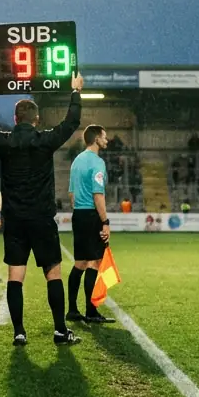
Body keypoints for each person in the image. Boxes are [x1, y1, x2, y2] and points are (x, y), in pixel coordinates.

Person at [0, 72, 84, 347]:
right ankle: (60, 331)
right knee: (53, 273)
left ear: (15, 120)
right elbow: (71, 122)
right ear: (36, 120)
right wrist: (75, 92)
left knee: (16, 276)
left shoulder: (5, 142)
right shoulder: (45, 140)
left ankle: (19, 332)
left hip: (15, 220)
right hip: (41, 219)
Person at [67, 124, 114, 325]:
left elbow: (71, 193)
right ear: (96, 139)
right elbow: (98, 195)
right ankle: (91, 311)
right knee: (94, 262)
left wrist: (79, 212)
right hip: (91, 215)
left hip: (78, 213)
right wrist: (105, 221)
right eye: (104, 137)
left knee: (80, 263)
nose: (107, 140)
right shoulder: (97, 162)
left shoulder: (76, 161)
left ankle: (72, 310)